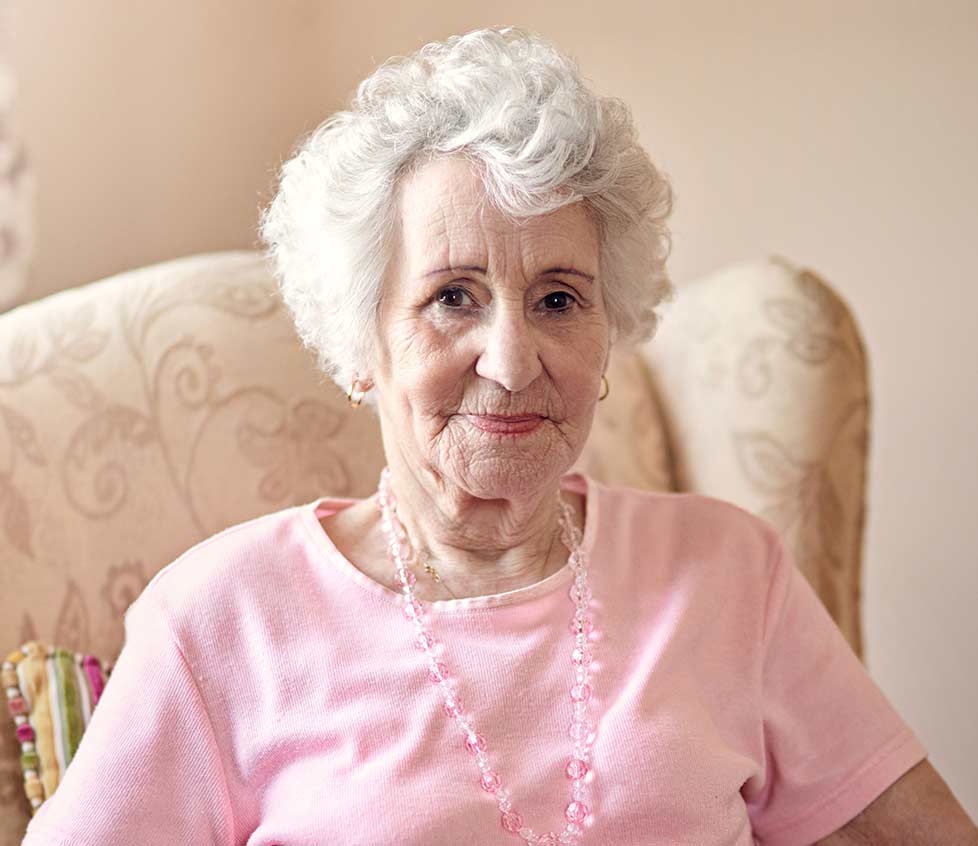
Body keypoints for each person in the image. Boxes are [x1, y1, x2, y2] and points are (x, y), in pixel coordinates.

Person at [21, 26, 976, 846]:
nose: (514, 363)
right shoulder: (221, 620)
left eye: (559, 299)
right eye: (453, 298)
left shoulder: (728, 574)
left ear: (608, 333)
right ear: (361, 344)